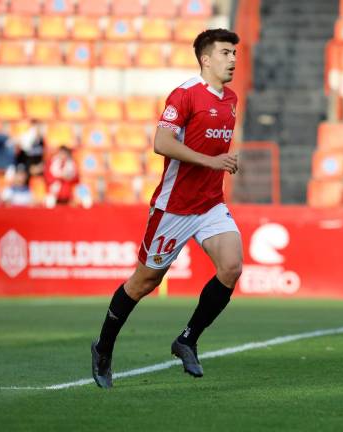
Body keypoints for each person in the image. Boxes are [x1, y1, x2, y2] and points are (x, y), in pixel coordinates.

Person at [91, 28, 241, 389]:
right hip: (173, 208)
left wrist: (216, 166)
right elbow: (161, 142)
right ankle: (104, 346)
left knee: (232, 266)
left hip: (210, 205)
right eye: (225, 53)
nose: (232, 59)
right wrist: (211, 161)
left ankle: (187, 339)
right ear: (206, 59)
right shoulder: (185, 95)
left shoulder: (231, 98)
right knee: (144, 282)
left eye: (234, 53)